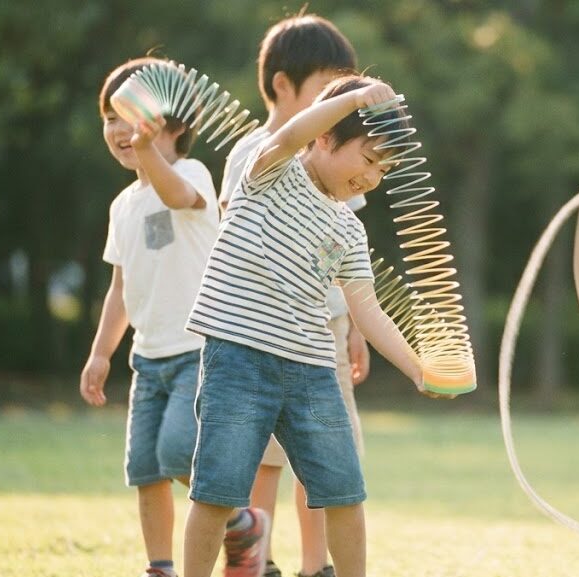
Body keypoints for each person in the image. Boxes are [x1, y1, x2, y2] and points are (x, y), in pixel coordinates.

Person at [182, 74, 451, 577]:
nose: (373, 177)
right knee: (217, 492)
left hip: (310, 370)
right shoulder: (270, 170)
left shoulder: (349, 227)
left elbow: (367, 310)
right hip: (238, 359)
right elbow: (289, 135)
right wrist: (352, 98)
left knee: (345, 491)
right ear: (325, 138)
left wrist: (417, 369)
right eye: (369, 160)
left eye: (383, 170)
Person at [219, 15, 369, 577]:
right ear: (283, 85)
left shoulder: (336, 156)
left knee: (327, 457)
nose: (339, 104)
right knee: (265, 457)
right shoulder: (253, 153)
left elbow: (347, 260)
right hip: (265, 332)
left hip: (324, 329)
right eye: (327, 87)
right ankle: (258, 560)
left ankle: (317, 567)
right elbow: (236, 237)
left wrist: (355, 327)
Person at [79, 56, 219, 577]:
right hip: (148, 359)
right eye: (109, 117)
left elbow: (178, 196)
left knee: (178, 452)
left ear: (176, 124)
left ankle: (235, 517)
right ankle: (160, 565)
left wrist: (148, 155)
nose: (117, 129)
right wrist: (100, 353)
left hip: (196, 350)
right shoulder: (123, 205)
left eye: (129, 115)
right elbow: (120, 286)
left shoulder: (189, 174)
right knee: (144, 470)